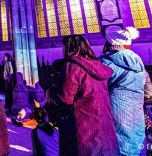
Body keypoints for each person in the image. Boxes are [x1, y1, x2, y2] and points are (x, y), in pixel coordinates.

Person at [52, 35, 119, 156]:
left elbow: (65, 99)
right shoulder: (97, 65)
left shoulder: (72, 66)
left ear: (69, 48)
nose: (62, 50)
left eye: (63, 47)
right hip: (104, 126)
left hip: (83, 127)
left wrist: (52, 95)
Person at [100, 26, 146, 156]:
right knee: (133, 142)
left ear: (111, 44)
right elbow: (144, 83)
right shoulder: (137, 61)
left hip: (116, 110)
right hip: (135, 111)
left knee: (117, 143)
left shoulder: (107, 62)